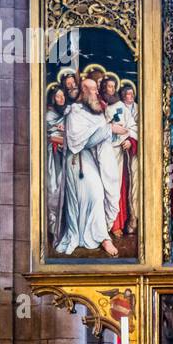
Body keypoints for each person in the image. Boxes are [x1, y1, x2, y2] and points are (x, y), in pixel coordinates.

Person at [55, 78, 126, 255]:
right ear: (84, 92)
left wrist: (114, 133)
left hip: (92, 159)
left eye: (96, 89)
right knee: (94, 195)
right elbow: (84, 142)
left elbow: (101, 139)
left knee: (98, 195)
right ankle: (103, 238)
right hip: (77, 160)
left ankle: (95, 235)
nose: (96, 93)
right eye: (92, 90)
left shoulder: (96, 112)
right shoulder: (74, 113)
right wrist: (110, 129)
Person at [106, 82, 139, 237]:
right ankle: (107, 226)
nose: (109, 90)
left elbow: (133, 126)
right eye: (107, 87)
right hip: (104, 152)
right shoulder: (99, 106)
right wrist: (109, 128)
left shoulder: (122, 107)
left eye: (112, 87)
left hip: (119, 152)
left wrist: (129, 139)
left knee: (119, 188)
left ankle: (118, 224)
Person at [45, 84, 68, 243]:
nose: (61, 99)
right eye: (58, 96)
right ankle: (53, 230)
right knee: (54, 188)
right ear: (53, 98)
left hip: (65, 155)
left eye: (63, 96)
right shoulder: (48, 116)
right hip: (53, 157)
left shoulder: (67, 113)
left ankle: (62, 230)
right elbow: (50, 136)